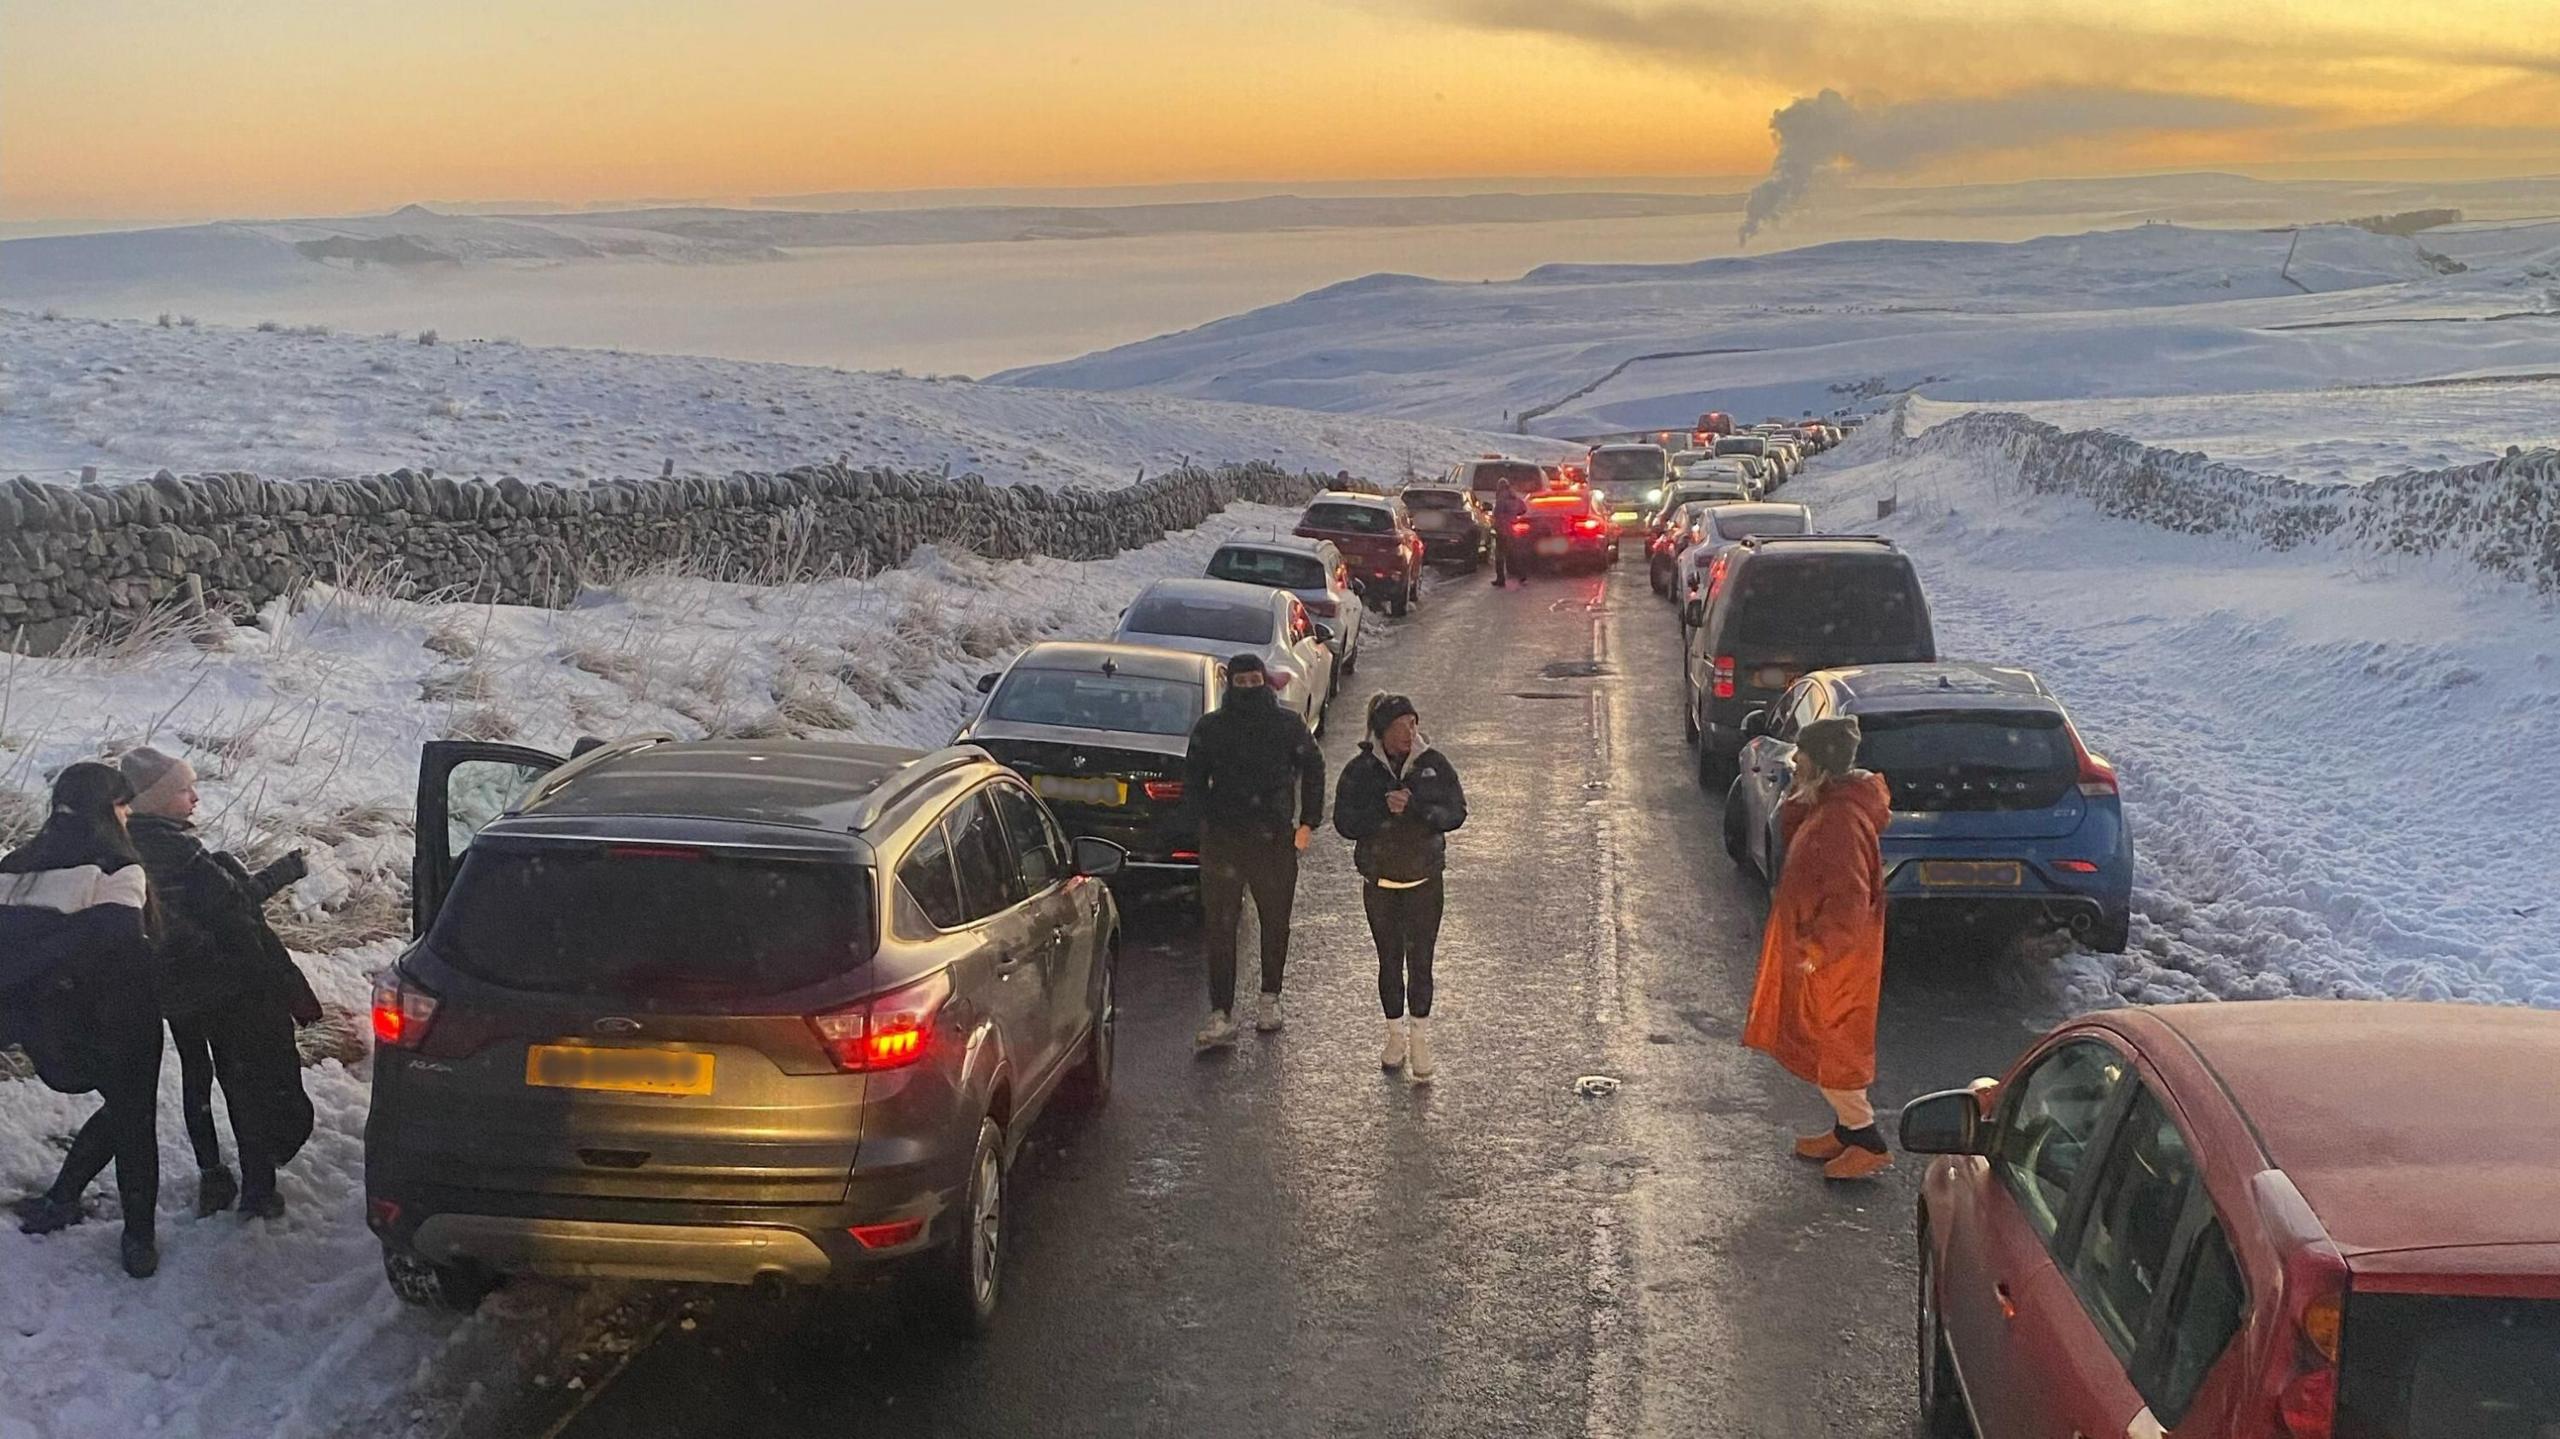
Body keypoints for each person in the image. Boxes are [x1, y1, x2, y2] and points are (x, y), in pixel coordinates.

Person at [119, 747, 320, 1220]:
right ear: (157, 799)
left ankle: (213, 1172)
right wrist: (286, 871)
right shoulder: (178, 850)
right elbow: (237, 901)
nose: (196, 797)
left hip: (176, 990)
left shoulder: (128, 845)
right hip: (222, 987)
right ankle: (258, 1184)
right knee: (244, 1080)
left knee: (197, 1076)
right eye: (184, 790)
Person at [0, 763, 165, 1277]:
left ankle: (63, 1198)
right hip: (120, 1019)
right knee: (134, 1119)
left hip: (45, 1025)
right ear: (107, 810)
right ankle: (138, 1237)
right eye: (122, 804)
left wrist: (40, 961)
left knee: (122, 1112)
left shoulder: (13, 867)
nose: (129, 812)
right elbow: (119, 939)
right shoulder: (120, 868)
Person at [1741, 716, 1894, 1181]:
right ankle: (1846, 1133)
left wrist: (1816, 951)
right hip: (1826, 958)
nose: (1794, 762)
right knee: (1824, 1045)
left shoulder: (1841, 821)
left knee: (1834, 1052)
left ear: (1822, 764)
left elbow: (1847, 901)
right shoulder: (1828, 807)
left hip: (1834, 964)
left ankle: (1866, 1138)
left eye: (1801, 756)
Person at [1181, 653, 1325, 1050]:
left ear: (1265, 682)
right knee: (1220, 926)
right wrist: (1199, 821)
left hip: (1273, 837)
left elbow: (1313, 765)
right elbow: (1193, 776)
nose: (1248, 689)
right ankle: (1221, 1010)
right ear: (1231, 685)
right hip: (1224, 838)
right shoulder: (1211, 728)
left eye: (1254, 682)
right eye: (1240, 683)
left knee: (1275, 920)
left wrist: (1308, 820)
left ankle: (1270, 997)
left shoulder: (1286, 725)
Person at [1332, 694, 1465, 1081]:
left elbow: (1455, 813)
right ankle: (1394, 1037)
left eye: (1412, 723)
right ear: (1381, 732)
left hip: (1424, 881)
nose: (1408, 732)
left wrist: (1417, 808)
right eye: (1399, 726)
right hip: (1381, 884)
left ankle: (1420, 1040)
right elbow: (1344, 822)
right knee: (1389, 961)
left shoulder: (1433, 766)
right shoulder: (1361, 771)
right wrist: (1380, 811)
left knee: (1420, 962)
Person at [1491, 478, 1529, 588]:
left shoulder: (1501, 499)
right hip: (1513, 529)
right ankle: (1522, 576)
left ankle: (1500, 579)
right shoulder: (1514, 497)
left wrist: (1496, 525)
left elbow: (1496, 514)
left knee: (1499, 555)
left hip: (1502, 529)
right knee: (1515, 554)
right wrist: (1514, 515)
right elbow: (1523, 509)